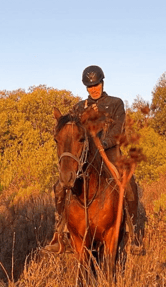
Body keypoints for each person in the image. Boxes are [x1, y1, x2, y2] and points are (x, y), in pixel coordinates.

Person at [45, 65, 139, 253]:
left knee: (128, 184)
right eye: (90, 86)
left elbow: (118, 129)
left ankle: (132, 233)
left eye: (96, 84)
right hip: (86, 156)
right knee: (59, 187)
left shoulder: (115, 103)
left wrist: (102, 144)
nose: (93, 88)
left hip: (110, 151)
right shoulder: (79, 107)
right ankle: (60, 233)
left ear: (102, 83)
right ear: (86, 87)